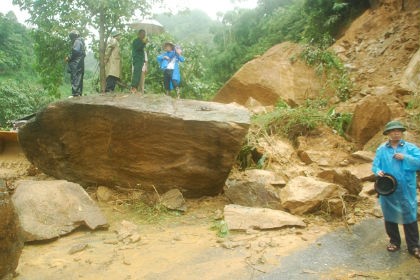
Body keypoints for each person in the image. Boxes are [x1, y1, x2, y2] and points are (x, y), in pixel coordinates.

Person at [372, 120, 420, 259]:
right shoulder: (382, 149)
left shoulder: (410, 148)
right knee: (389, 214)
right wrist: (378, 171)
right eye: (393, 131)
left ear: (402, 133)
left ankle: (414, 246)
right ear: (388, 133)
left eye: (398, 131)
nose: (396, 133)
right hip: (388, 188)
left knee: (409, 215)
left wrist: (405, 157)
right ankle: (394, 242)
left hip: (406, 188)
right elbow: (375, 165)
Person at [66, 30, 85, 97]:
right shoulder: (81, 42)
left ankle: (75, 94)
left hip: (76, 63)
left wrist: (68, 57)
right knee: (79, 77)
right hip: (80, 63)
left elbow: (75, 51)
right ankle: (79, 93)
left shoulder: (77, 41)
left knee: (75, 77)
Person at [131, 29, 147, 94]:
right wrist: (144, 43)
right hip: (137, 59)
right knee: (136, 73)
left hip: (140, 60)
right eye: (143, 34)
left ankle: (136, 88)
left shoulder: (141, 41)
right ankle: (133, 88)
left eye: (144, 34)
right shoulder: (136, 41)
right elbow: (138, 48)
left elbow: (141, 50)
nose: (144, 35)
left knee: (139, 74)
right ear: (139, 34)